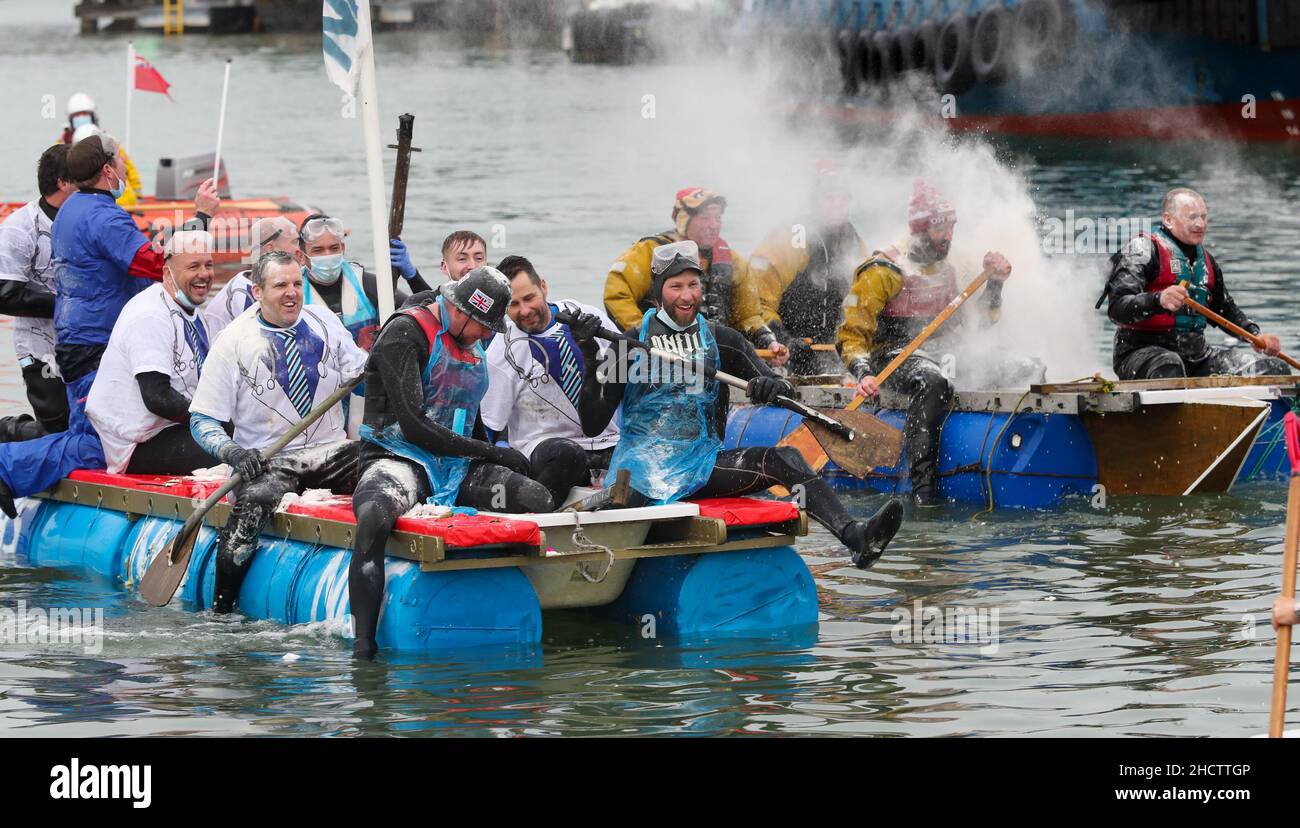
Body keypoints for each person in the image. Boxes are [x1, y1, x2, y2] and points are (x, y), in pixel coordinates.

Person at [576, 240, 905, 569]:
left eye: (693, 285)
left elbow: (781, 387)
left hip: (701, 466)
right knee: (624, 506)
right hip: (641, 472)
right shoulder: (629, 345)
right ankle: (605, 563)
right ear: (658, 291)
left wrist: (770, 385)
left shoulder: (722, 341)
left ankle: (856, 537)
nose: (687, 296)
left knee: (785, 458)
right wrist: (590, 355)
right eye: (676, 287)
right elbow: (592, 423)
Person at [0, 137, 219, 517]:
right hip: (95, 345)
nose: (122, 167)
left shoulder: (74, 208)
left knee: (93, 437)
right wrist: (200, 219)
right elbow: (157, 263)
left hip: (80, 340)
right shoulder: (103, 215)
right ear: (107, 170)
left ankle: (13, 457)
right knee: (101, 441)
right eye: (119, 160)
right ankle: (7, 463)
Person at [350, 266, 552, 659]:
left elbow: (471, 420)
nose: (486, 337)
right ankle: (364, 645)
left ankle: (496, 591)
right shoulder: (404, 334)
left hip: (455, 464)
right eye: (483, 327)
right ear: (461, 312)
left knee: (536, 498)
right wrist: (493, 452)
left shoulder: (472, 342)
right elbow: (413, 426)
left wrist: (496, 459)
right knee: (374, 516)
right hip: (397, 456)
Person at [188, 251, 368, 614]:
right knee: (252, 507)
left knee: (386, 466)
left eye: (297, 284)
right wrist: (234, 454)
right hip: (270, 464)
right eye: (280, 285)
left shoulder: (324, 322)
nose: (292, 293)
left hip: (333, 453)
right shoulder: (232, 341)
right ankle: (223, 610)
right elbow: (202, 421)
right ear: (257, 291)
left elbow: (364, 381)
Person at [838, 179, 1017, 506]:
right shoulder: (884, 270)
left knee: (1022, 367)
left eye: (950, 226)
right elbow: (851, 334)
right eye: (939, 228)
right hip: (890, 357)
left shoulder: (955, 263)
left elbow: (983, 322)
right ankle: (923, 491)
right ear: (920, 229)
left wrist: (994, 285)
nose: (947, 235)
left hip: (943, 353)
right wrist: (862, 371)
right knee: (933, 381)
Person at [1103, 188, 1288, 380]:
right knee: (1169, 365)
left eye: (1204, 217)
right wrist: (1159, 299)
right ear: (1168, 220)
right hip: (1141, 354)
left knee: (1273, 369)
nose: (1200, 224)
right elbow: (1117, 309)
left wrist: (1255, 335)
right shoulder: (1142, 249)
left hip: (1196, 356)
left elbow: (1224, 310)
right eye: (1192, 217)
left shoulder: (1207, 262)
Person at [482, 255, 622, 508]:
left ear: (543, 287)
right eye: (513, 304)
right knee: (567, 455)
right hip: (547, 452)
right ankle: (538, 518)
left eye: (529, 298)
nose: (524, 311)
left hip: (606, 443)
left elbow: (627, 374)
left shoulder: (587, 317)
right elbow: (490, 426)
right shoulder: (500, 351)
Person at [85, 230, 216, 474]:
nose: (204, 274)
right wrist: (213, 421)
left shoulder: (192, 309)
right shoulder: (151, 315)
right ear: (167, 273)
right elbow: (157, 397)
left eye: (208, 265)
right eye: (193, 266)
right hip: (136, 442)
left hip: (168, 428)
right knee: (235, 444)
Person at [603, 187, 771, 350]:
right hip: (658, 350)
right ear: (684, 219)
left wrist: (768, 341)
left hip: (713, 349)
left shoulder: (733, 261)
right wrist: (647, 335)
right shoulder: (649, 253)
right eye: (705, 218)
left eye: (718, 218)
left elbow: (748, 316)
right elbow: (618, 297)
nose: (714, 225)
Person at [748, 162, 868, 374]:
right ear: (814, 203)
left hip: (833, 350)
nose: (837, 205)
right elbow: (757, 302)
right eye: (829, 199)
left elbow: (865, 301)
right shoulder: (792, 238)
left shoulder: (854, 242)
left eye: (843, 199)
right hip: (787, 348)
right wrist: (783, 339)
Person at [0, 144, 77, 440]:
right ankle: (9, 432)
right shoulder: (20, 228)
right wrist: (66, 306)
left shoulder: (82, 220)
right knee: (57, 428)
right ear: (63, 182)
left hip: (83, 342)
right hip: (37, 347)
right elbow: (5, 295)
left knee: (90, 425)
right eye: (81, 178)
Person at [296, 213, 433, 350]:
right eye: (318, 250)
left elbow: (432, 312)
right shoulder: (293, 294)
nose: (328, 255)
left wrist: (413, 277)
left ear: (343, 249)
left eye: (334, 248)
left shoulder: (368, 285)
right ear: (301, 256)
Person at [203, 216, 306, 337]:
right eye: (295, 242)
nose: (300, 250)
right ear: (270, 249)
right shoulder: (236, 300)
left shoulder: (297, 282)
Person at [59, 94, 142, 207]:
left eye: (85, 114)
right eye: (77, 115)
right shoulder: (62, 146)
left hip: (121, 201)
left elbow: (130, 169)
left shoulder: (108, 142)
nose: (81, 117)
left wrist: (138, 197)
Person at [389, 229, 488, 288]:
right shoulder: (433, 302)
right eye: (462, 259)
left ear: (487, 266)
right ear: (444, 267)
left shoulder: (500, 300)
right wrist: (413, 277)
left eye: (479, 258)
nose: (472, 266)